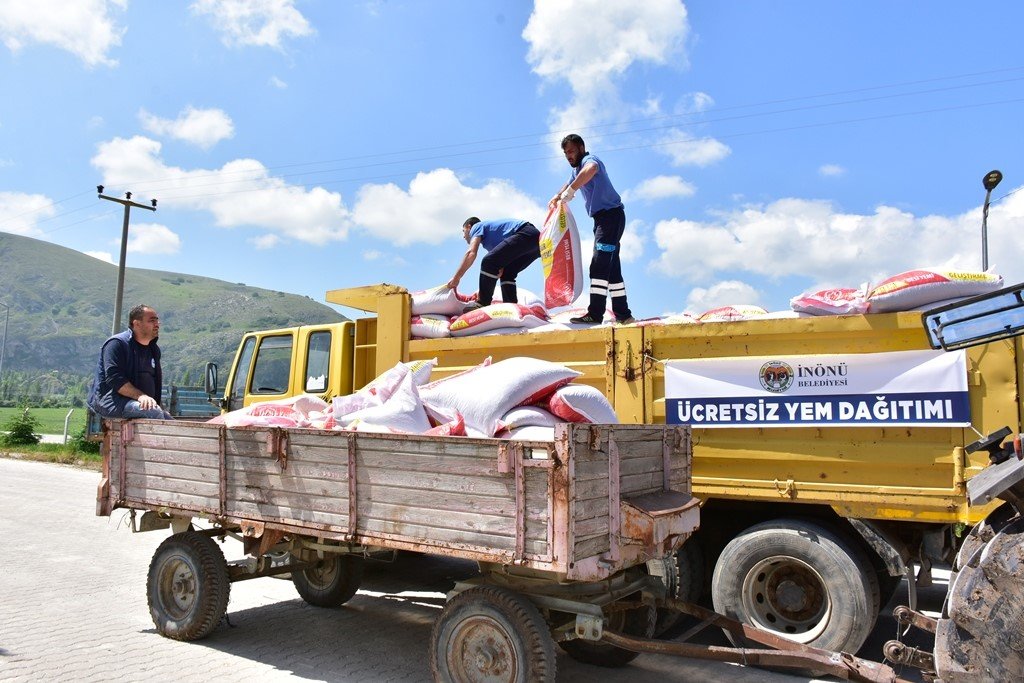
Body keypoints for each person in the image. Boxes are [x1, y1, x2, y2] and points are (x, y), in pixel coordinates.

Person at [549, 133, 634, 325]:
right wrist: (557, 195)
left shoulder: (589, 160)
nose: (569, 156)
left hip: (610, 218)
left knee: (598, 264)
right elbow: (570, 181)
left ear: (581, 148)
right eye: (565, 154)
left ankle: (595, 313)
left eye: (571, 151)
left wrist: (572, 191)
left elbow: (592, 169)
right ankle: (624, 315)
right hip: (604, 220)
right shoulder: (577, 168)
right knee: (611, 268)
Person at [87, 304, 173, 420]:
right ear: (136, 323)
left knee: (171, 422)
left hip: (140, 403)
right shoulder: (117, 344)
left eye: (157, 321)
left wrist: (160, 408)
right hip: (113, 403)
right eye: (152, 321)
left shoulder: (154, 350)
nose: (157, 325)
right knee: (153, 411)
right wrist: (141, 396)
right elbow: (115, 378)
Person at [446, 217, 541, 310]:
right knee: (507, 273)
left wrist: (456, 278)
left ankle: (482, 303)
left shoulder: (477, 226)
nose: (463, 236)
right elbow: (499, 267)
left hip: (525, 232)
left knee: (488, 261)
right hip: (537, 244)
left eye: (463, 231)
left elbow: (471, 253)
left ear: (469, 226)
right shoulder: (491, 241)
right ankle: (511, 306)